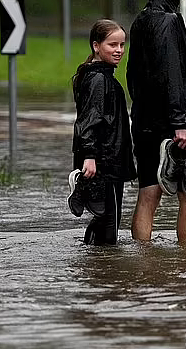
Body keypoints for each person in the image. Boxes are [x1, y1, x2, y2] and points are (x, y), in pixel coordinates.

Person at [126, 0, 186, 244]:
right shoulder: (170, 21)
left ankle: (143, 261)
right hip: (176, 128)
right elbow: (173, 75)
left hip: (145, 124)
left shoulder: (141, 20)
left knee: (148, 193)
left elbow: (133, 76)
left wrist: (143, 114)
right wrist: (180, 124)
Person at [68, 19, 136, 245]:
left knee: (105, 220)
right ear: (96, 46)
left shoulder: (102, 76)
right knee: (109, 225)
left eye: (122, 45)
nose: (119, 51)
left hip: (107, 161)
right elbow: (89, 120)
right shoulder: (98, 79)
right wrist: (89, 157)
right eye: (112, 45)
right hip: (103, 164)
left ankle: (92, 262)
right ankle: (102, 273)